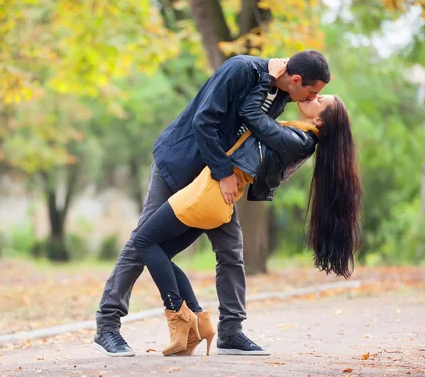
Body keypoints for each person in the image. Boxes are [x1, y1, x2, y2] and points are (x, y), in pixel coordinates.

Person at [94, 50, 331, 357]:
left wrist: (229, 176)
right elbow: (203, 120)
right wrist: (223, 173)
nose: (312, 98)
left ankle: (231, 332)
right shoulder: (241, 70)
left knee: (231, 250)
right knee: (142, 242)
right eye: (313, 92)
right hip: (181, 165)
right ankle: (107, 326)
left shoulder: (282, 95)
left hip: (216, 181)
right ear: (297, 80)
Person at [132, 94, 362, 356]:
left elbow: (253, 116)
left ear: (319, 119)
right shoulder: (299, 135)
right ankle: (199, 321)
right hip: (215, 197)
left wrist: (271, 87)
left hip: (208, 193)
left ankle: (180, 318)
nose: (315, 96)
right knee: (161, 252)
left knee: (143, 241)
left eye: (321, 100)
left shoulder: (299, 141)